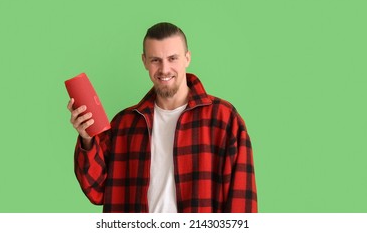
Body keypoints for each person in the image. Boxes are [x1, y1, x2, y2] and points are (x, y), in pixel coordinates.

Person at [67, 22, 258, 213]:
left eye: (173, 58)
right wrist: (87, 139)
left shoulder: (224, 119)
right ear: (144, 61)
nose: (164, 69)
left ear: (187, 58)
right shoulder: (124, 125)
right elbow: (96, 190)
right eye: (155, 60)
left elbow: (243, 205)